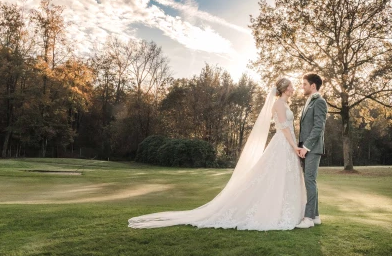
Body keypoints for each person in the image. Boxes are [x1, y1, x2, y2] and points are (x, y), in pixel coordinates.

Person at [128, 77, 307, 231]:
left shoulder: (284, 103)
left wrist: (294, 145)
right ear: (284, 88)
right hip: (283, 143)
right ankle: (272, 212)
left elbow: (288, 128)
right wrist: (294, 146)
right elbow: (283, 128)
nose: (293, 88)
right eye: (290, 86)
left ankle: (285, 211)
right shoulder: (278, 104)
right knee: (273, 176)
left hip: (287, 144)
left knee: (282, 177)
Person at [295, 73, 327, 229]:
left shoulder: (319, 102)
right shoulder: (309, 102)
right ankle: (316, 217)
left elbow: (318, 127)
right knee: (310, 181)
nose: (302, 86)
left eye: (305, 84)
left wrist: (306, 147)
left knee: (309, 180)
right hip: (305, 147)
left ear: (313, 85)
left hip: (312, 148)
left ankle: (308, 218)